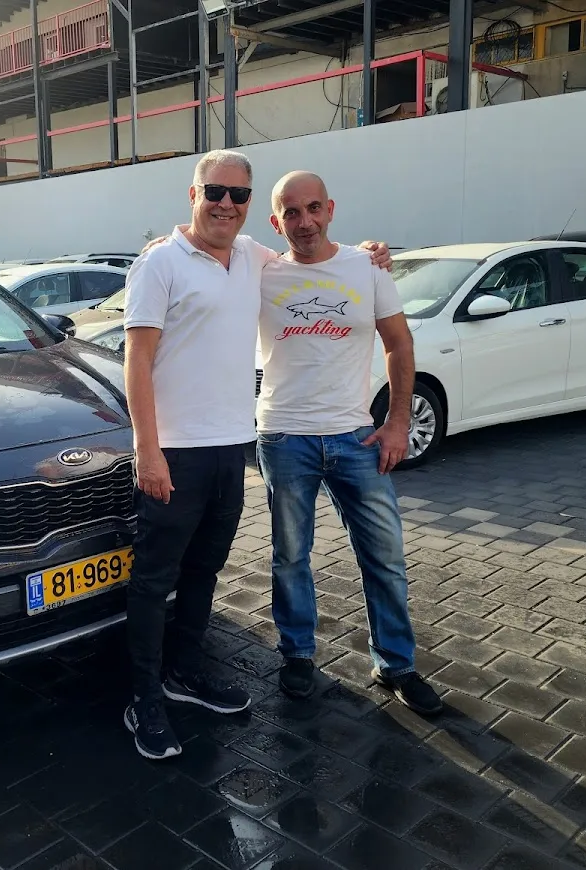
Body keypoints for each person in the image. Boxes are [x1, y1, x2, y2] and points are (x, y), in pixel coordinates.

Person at [122, 150, 392, 760]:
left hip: (230, 447)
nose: (226, 204)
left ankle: (183, 673)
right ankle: (144, 699)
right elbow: (137, 360)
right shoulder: (160, 262)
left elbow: (312, 250)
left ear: (250, 204)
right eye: (215, 191)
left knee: (204, 571)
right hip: (174, 451)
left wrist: (370, 252)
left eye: (239, 195)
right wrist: (147, 449)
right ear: (193, 194)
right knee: (154, 579)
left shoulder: (252, 257)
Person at [258, 171, 441, 716]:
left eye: (313, 208)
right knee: (291, 556)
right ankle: (297, 654)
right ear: (276, 221)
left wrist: (398, 422)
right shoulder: (259, 271)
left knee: (385, 556)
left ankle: (396, 664)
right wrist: (167, 241)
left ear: (331, 209)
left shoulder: (367, 267)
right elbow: (206, 246)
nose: (305, 221)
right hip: (284, 436)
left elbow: (399, 344)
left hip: (356, 437)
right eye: (292, 212)